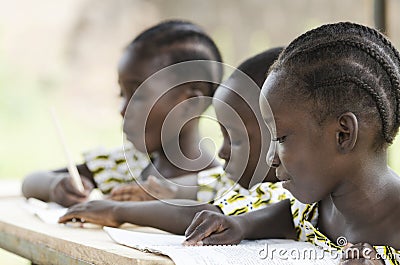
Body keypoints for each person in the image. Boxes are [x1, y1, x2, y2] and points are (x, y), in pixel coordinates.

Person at [183, 22, 400, 264]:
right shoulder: (323, 205)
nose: (271, 158)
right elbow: (289, 215)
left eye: (280, 139)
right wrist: (241, 224)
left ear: (343, 134)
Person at [57, 48, 283, 235]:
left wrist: (117, 211)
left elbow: (206, 215)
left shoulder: (286, 197)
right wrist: (168, 193)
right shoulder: (231, 182)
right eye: (222, 135)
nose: (222, 152)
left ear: (278, 139)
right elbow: (198, 187)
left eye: (235, 140)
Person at [21, 20, 222, 207]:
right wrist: (56, 187)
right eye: (121, 94)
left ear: (190, 103)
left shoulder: (223, 188)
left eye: (138, 95)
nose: (123, 110)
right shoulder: (124, 167)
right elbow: (31, 182)